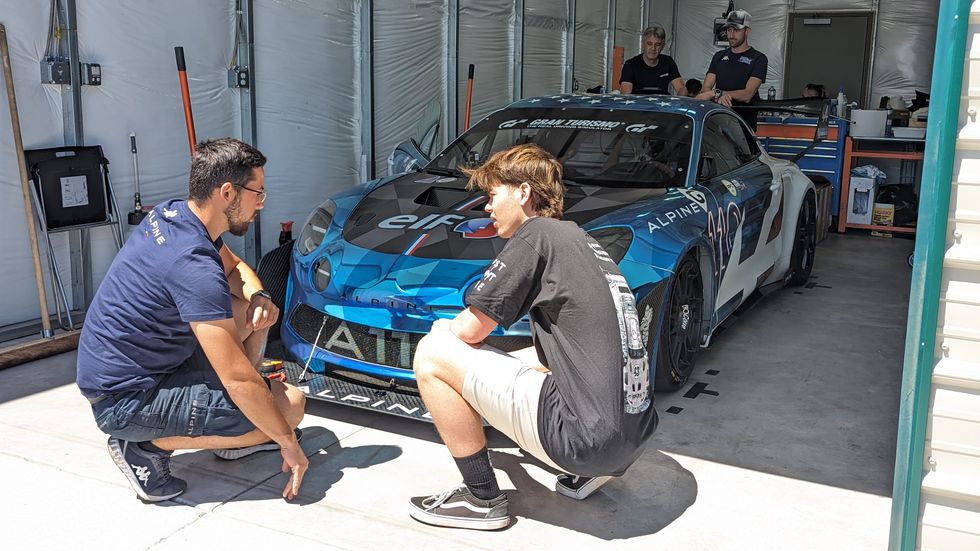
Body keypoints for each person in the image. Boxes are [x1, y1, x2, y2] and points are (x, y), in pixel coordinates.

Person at [408, 144, 659, 530]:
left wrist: (453, 349)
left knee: (433, 352)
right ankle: (587, 471)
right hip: (632, 437)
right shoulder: (584, 243)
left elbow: (469, 330)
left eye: (492, 195)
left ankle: (480, 497)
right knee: (523, 359)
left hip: (587, 441)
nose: (487, 208)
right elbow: (560, 355)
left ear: (523, 192)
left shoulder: (536, 234)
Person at [75, 138, 308, 503]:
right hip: (125, 401)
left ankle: (238, 433)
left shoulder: (175, 217)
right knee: (289, 407)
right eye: (258, 194)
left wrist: (260, 297)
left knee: (250, 314)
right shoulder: (191, 264)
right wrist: (286, 442)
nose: (261, 204)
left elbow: (236, 269)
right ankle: (141, 448)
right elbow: (237, 379)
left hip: (145, 367)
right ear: (228, 192)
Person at [695, 9, 768, 130]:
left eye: (737, 30)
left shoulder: (758, 58)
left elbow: (748, 94)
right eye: (729, 30)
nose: (731, 35)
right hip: (718, 123)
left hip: (744, 126)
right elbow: (705, 90)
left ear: (747, 31)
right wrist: (717, 95)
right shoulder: (719, 56)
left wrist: (718, 93)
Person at [619, 24, 688, 96]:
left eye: (657, 44)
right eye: (649, 43)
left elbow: (681, 88)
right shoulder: (630, 64)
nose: (653, 48)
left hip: (661, 105)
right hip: (638, 106)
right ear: (643, 44)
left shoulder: (668, 62)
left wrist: (682, 95)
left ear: (663, 46)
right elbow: (626, 94)